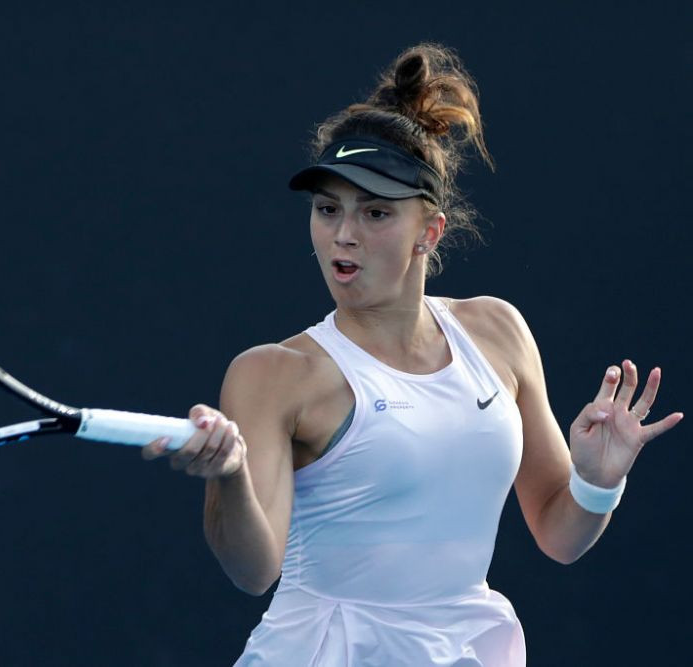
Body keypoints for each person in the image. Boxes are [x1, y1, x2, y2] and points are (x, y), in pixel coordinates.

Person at [142, 43, 683, 666]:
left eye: (374, 213)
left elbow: (561, 535)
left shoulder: (498, 331)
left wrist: (597, 480)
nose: (344, 234)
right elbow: (251, 571)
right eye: (327, 209)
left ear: (430, 231)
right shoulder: (273, 373)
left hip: (463, 648)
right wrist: (229, 478)